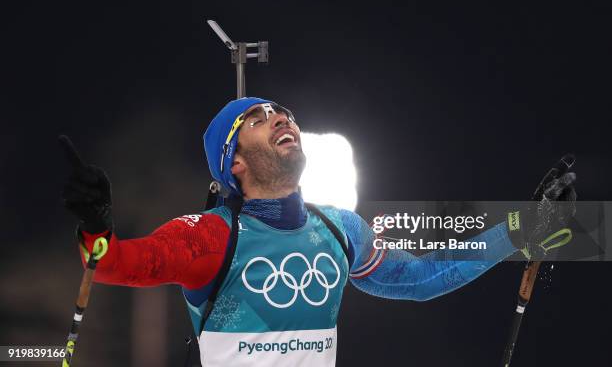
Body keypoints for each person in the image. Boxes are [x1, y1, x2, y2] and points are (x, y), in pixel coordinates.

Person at [61, 97, 576, 366]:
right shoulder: (212, 236)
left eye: (284, 113)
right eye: (259, 118)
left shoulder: (339, 226)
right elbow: (112, 263)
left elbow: (423, 277)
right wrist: (96, 225)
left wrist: (524, 225)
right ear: (233, 162)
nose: (282, 118)